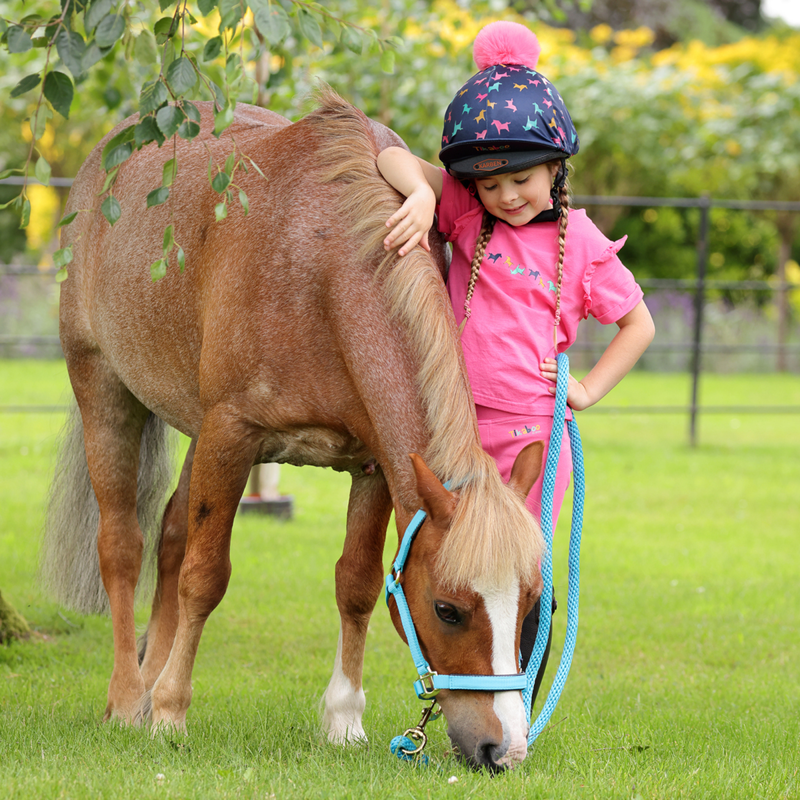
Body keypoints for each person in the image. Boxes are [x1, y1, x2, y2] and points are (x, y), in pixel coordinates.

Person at [377, 20, 654, 695]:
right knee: (458, 566)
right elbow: (386, 155)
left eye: (521, 179)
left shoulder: (581, 242)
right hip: (461, 430)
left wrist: (586, 389)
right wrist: (421, 193)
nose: (505, 196)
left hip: (535, 434)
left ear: (557, 167)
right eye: (487, 183)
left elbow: (637, 324)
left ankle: (516, 700)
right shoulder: (470, 217)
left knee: (523, 572)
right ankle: (465, 682)